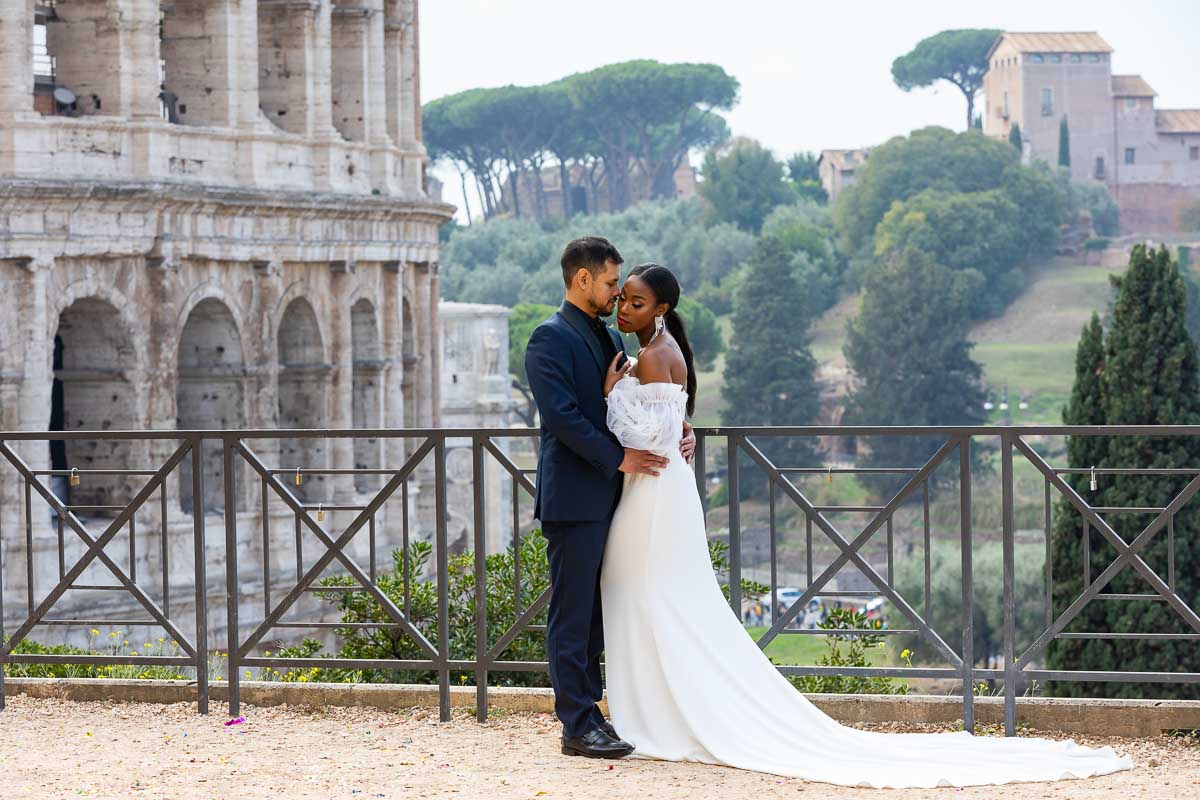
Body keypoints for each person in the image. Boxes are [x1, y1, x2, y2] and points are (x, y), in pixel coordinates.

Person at [593, 262, 1134, 788]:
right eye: (622, 300)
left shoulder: (650, 358)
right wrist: (671, 421)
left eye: (636, 303)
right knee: (651, 594)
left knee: (646, 591)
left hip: (655, 488)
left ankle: (657, 713)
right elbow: (672, 426)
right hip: (661, 488)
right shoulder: (655, 353)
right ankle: (657, 706)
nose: (624, 310)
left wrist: (610, 394)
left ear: (661, 308)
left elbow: (654, 436)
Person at [523, 237, 695, 760]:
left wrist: (678, 428)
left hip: (615, 497)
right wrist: (619, 459)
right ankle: (577, 724)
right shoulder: (548, 338)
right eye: (609, 284)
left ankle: (601, 711)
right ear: (581, 280)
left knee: (601, 615)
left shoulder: (602, 334)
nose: (616, 294)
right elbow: (562, 418)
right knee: (572, 615)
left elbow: (637, 401)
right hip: (575, 497)